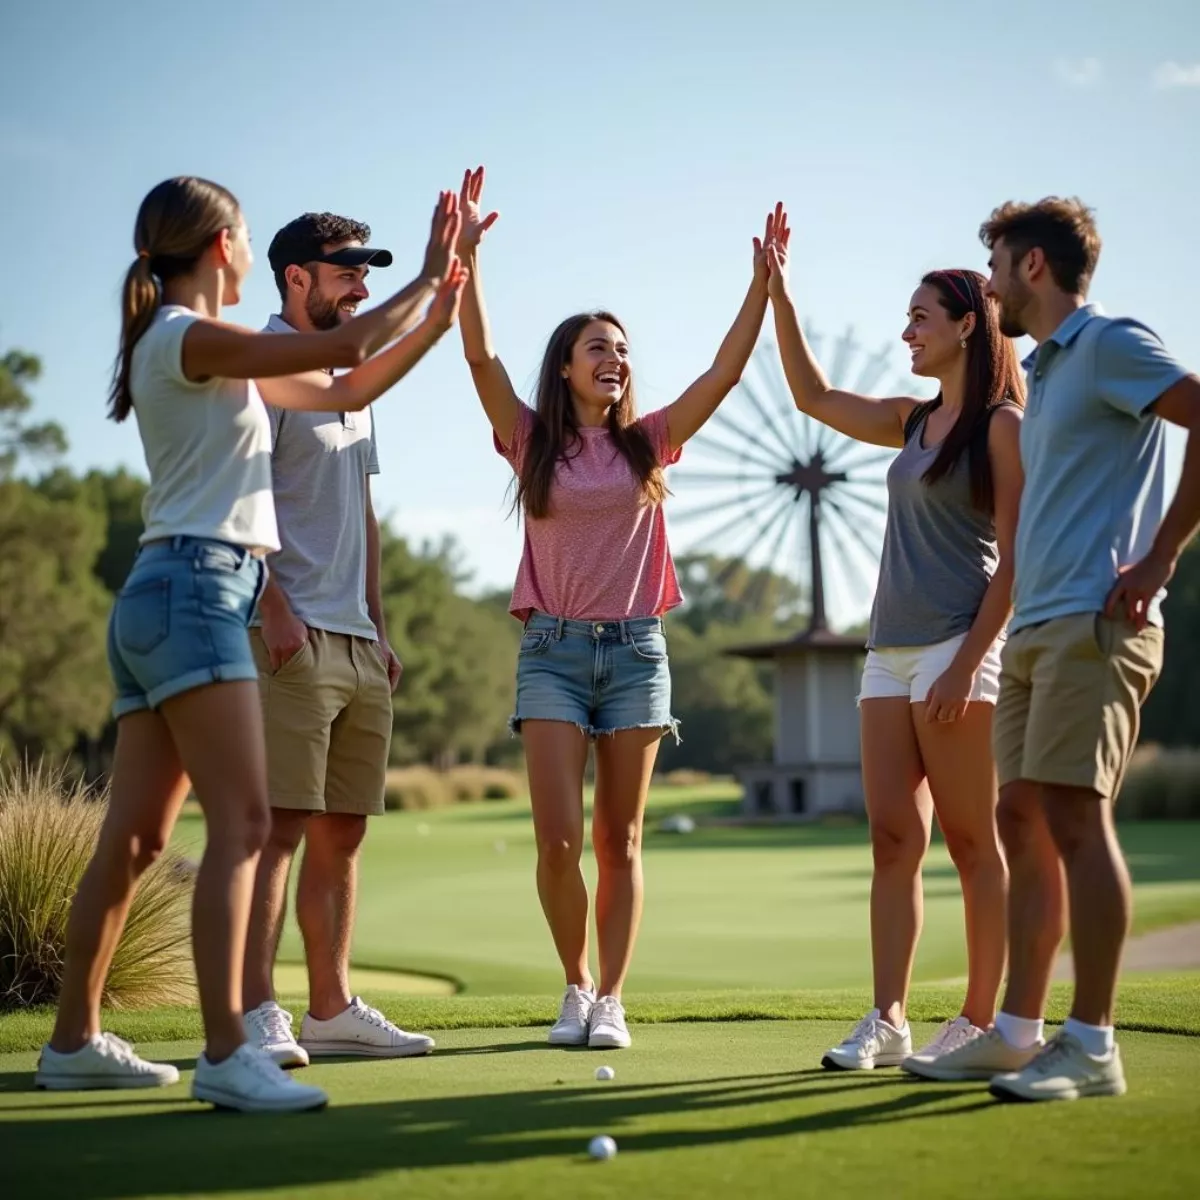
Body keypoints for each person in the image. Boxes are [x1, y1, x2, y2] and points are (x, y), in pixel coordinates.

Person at [34, 176, 465, 1113]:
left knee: (140, 838)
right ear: (227, 249)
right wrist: (429, 271)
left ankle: (72, 1039)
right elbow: (346, 345)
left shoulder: (198, 346)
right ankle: (230, 1050)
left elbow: (348, 382)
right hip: (200, 588)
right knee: (248, 827)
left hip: (161, 590)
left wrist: (437, 310)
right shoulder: (193, 336)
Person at [455, 166, 775, 1050]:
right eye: (597, 347)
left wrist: (759, 287)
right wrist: (467, 262)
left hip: (637, 655)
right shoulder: (531, 441)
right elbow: (479, 358)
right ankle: (575, 985)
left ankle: (613, 1001)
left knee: (620, 844)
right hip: (552, 653)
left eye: (622, 348)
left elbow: (725, 369)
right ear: (566, 365)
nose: (615, 358)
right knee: (559, 842)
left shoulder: (649, 444)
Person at [930, 196, 1199, 1102]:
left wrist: (1160, 557)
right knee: (1021, 823)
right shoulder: (1045, 375)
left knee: (1079, 819)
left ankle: (1093, 1044)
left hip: (1097, 623)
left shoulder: (1112, 343)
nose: (994, 284)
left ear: (1032, 267)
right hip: (1039, 625)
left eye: (999, 265)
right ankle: (1017, 1032)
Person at [759, 217, 1026, 1073]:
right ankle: (889, 1018)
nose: (905, 331)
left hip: (961, 649)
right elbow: (813, 397)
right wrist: (779, 293)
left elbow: (1017, 560)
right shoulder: (914, 423)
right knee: (891, 842)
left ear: (964, 326)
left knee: (973, 842)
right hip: (888, 654)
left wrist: (966, 657)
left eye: (919, 317)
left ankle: (981, 1023)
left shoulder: (1003, 427)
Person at [240, 211, 434, 1067]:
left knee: (343, 833)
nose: (360, 283)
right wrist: (274, 603)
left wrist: (380, 630)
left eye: (367, 270)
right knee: (277, 828)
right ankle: (256, 1010)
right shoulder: (257, 369)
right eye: (347, 269)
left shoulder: (348, 380)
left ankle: (330, 1007)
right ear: (296, 279)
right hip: (289, 633)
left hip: (356, 642)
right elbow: (233, 497)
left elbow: (364, 514)